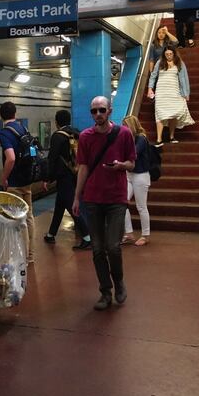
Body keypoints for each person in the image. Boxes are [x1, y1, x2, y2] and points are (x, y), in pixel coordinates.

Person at [72, 96, 136, 311]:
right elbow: (83, 168)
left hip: (116, 198)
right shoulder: (85, 137)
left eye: (101, 110)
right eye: (93, 111)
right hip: (93, 199)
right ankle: (105, 291)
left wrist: (121, 166)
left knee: (113, 247)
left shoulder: (124, 134)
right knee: (98, 249)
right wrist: (76, 197)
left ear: (110, 111)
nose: (97, 114)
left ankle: (118, 281)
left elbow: (132, 162)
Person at [44, 109, 91, 250]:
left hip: (63, 176)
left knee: (71, 206)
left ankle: (87, 237)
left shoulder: (57, 136)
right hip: (76, 174)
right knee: (60, 205)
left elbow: (52, 159)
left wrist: (47, 178)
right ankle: (51, 234)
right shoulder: (77, 133)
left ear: (56, 122)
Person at [0, 101, 37, 263]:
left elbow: (11, 158)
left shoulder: (4, 133)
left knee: (18, 220)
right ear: (15, 114)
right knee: (29, 217)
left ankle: (22, 256)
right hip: (27, 179)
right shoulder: (23, 128)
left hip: (14, 182)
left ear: (1, 116)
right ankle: (31, 255)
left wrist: (4, 177)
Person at [147, 44, 195, 147]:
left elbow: (184, 79)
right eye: (167, 54)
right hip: (161, 92)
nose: (168, 56)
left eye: (170, 54)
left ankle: (171, 137)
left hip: (174, 91)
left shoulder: (179, 63)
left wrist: (186, 93)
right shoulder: (160, 63)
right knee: (159, 114)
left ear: (174, 53)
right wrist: (150, 88)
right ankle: (159, 139)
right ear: (164, 54)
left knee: (173, 114)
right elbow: (153, 76)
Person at [121, 115, 152, 247]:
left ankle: (145, 235)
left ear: (132, 126)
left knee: (141, 206)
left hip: (141, 175)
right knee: (121, 202)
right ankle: (128, 233)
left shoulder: (141, 138)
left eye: (126, 125)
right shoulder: (127, 139)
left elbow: (133, 153)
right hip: (129, 174)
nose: (124, 128)